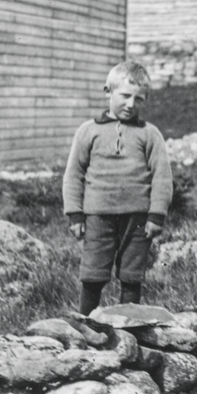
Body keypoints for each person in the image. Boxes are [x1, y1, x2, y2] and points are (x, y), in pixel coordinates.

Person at [64, 60, 173, 315]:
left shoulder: (150, 134)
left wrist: (156, 215)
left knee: (131, 276)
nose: (131, 104)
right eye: (125, 96)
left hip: (137, 217)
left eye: (139, 99)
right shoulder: (87, 131)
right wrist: (75, 214)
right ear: (108, 92)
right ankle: (86, 324)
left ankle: (130, 328)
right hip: (98, 215)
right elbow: (74, 174)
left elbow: (162, 176)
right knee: (93, 274)